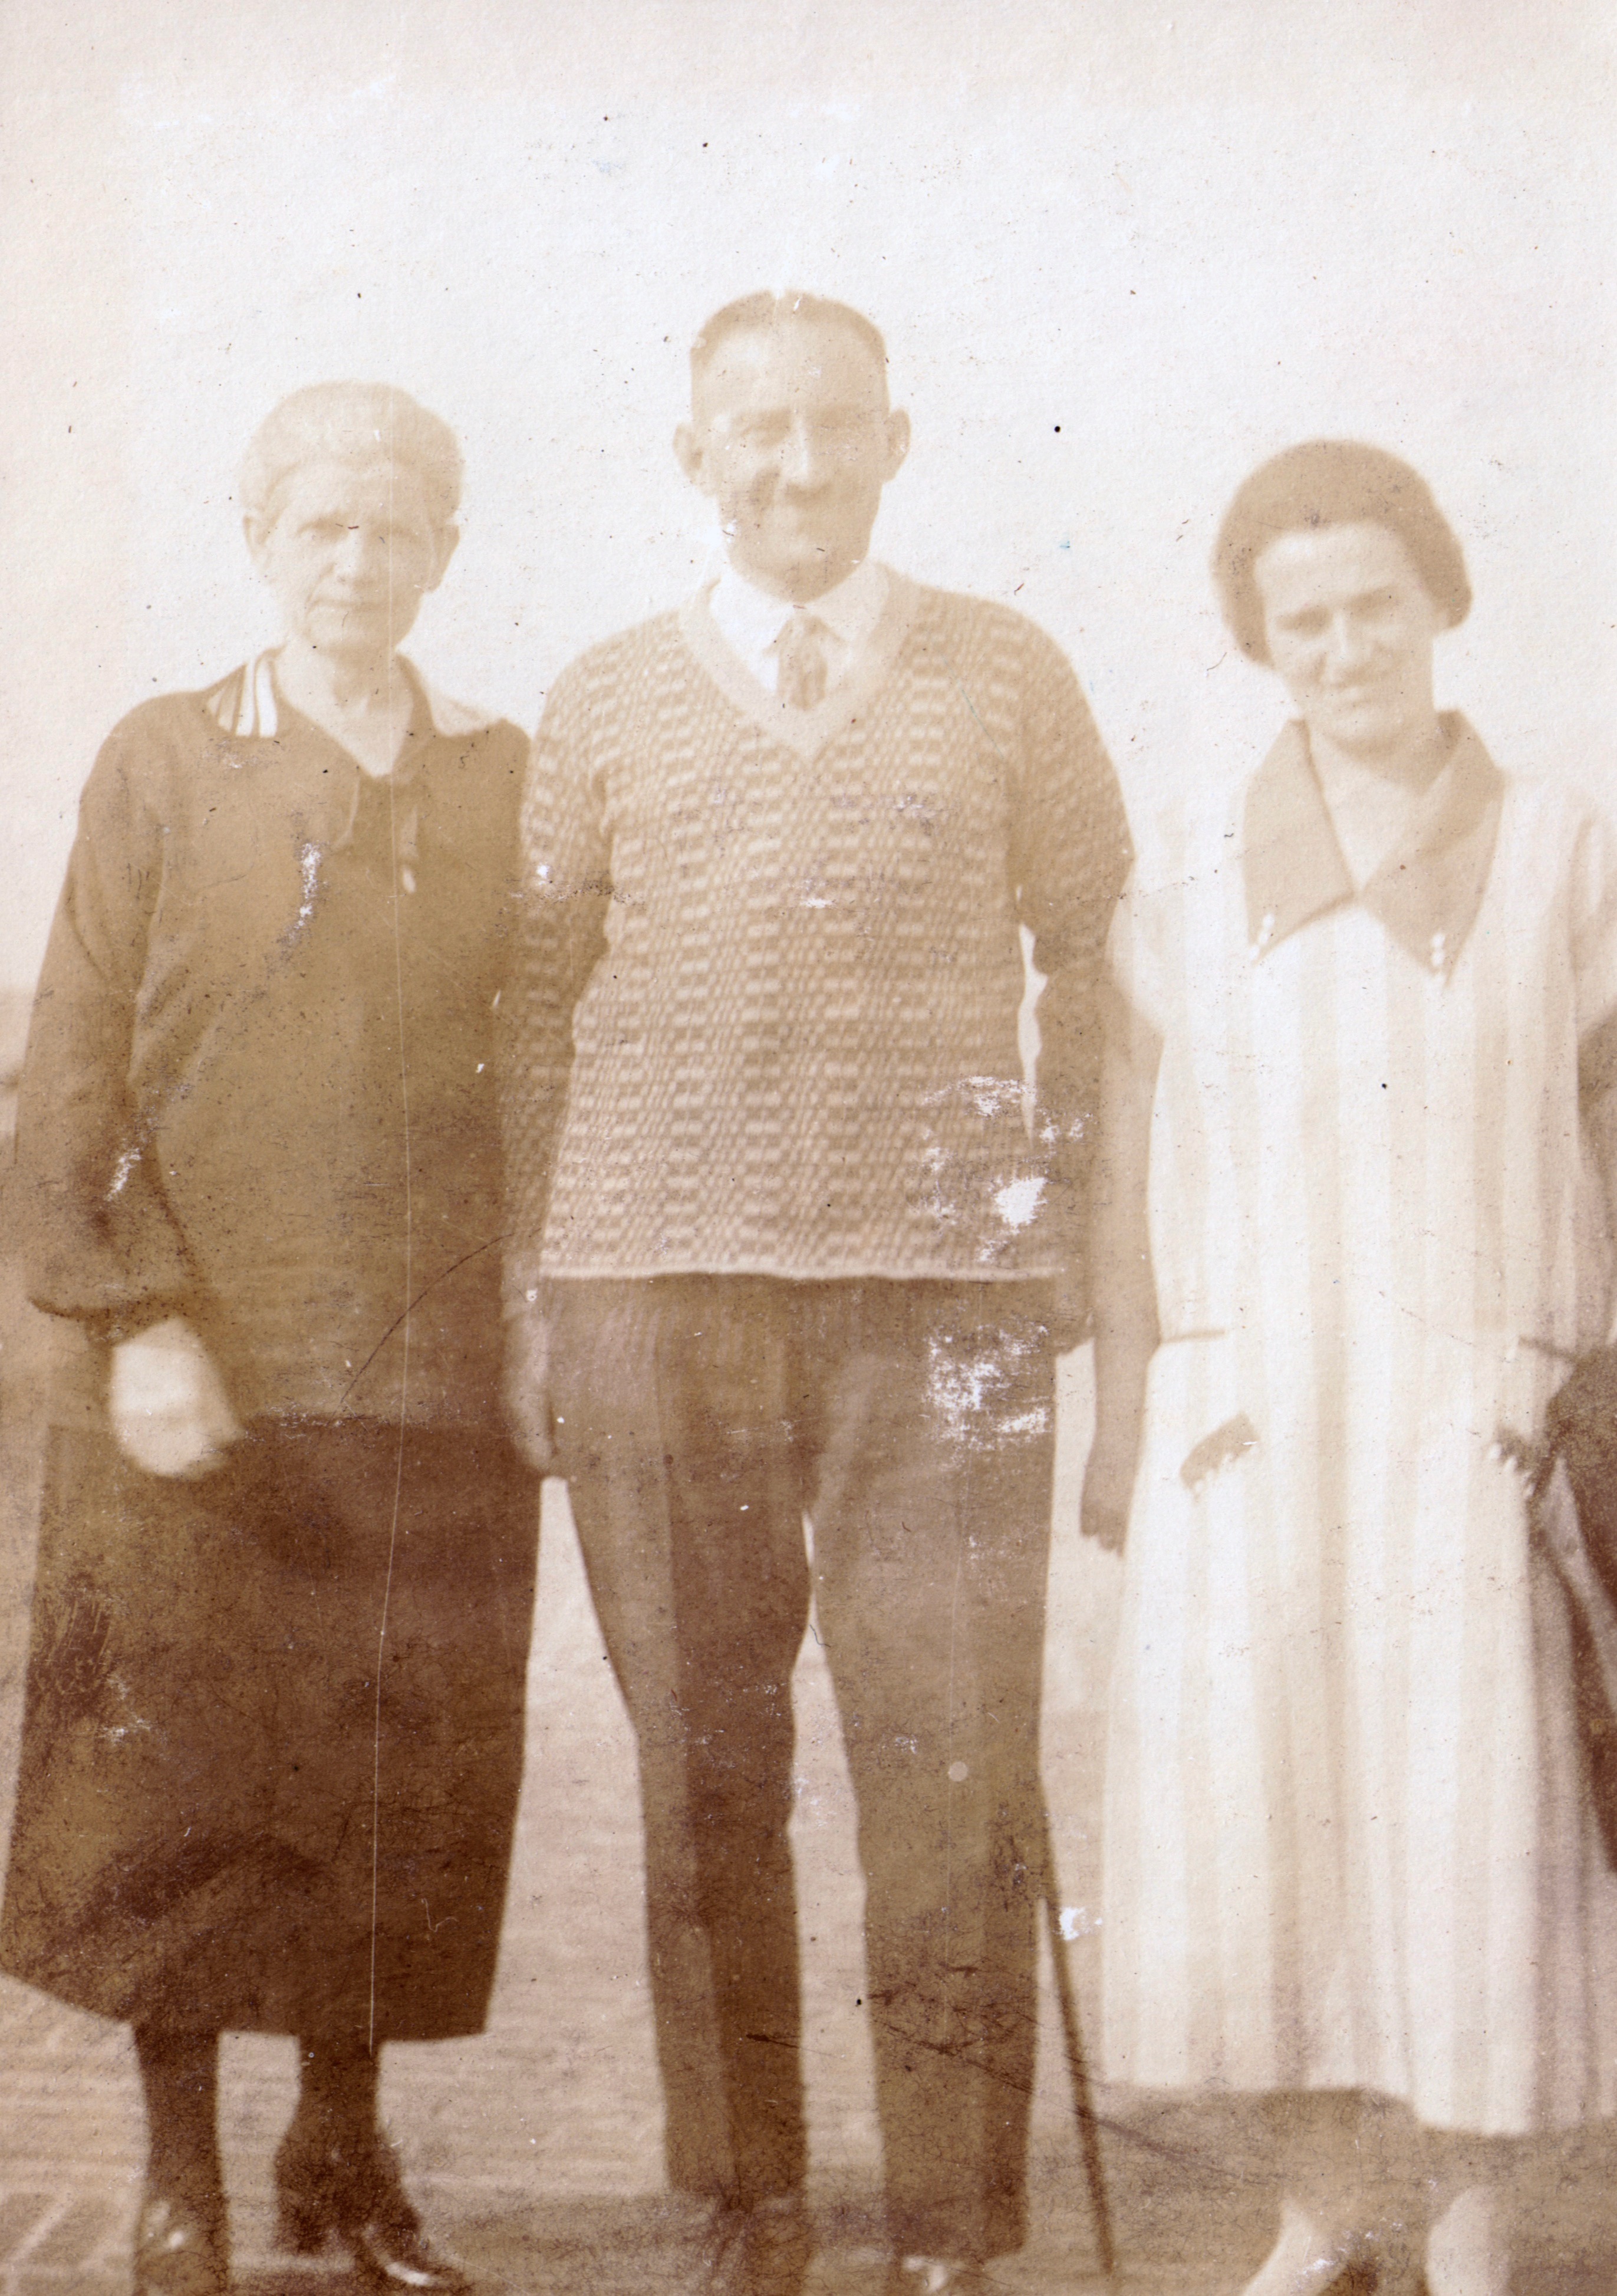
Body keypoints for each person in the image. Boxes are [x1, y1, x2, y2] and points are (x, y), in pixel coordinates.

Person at [500, 290, 1132, 2295]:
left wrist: (1052, 1221)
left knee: (952, 1765)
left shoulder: (1009, 671)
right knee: (703, 1770)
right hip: (651, 1292)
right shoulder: (603, 695)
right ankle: (744, 2201)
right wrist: (530, 1292)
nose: (796, 466)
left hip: (945, 1306)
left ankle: (950, 2222)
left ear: (894, 441)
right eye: (754, 431)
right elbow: (532, 1006)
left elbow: (1092, 964)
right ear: (694, 455)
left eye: (834, 425)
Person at [1, 383, 539, 2296]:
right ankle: (180, 2177)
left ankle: (340, 2147)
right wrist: (134, 1316)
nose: (356, 563)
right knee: (180, 1793)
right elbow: (73, 1061)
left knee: (390, 1780)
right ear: (260, 544)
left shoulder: (502, 773)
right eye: (321, 527)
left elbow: (539, 1062)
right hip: (200, 1370)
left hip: (427, 1370)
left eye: (395, 529)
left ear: (444, 552)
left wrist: (529, 1321)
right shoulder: (166, 756)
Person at [1085, 439, 1617, 2295]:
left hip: (1478, 1420)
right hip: (1250, 1424)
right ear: (1260, 641)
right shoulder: (1187, 871)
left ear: (1440, 600)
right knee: (1264, 1834)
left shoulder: (1567, 852)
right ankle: (1324, 2213)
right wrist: (1129, 1415)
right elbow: (1125, 1157)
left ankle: (1472, 2229)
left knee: (1478, 1829)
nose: (1342, 649)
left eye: (1374, 605)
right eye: (1299, 620)